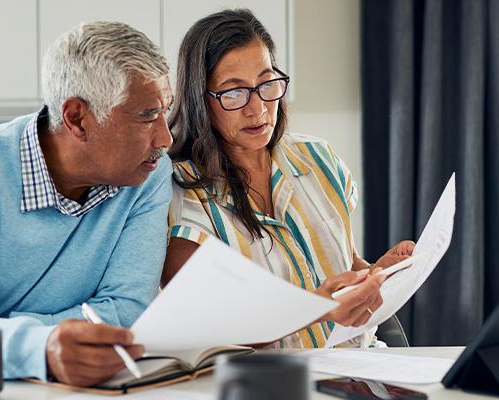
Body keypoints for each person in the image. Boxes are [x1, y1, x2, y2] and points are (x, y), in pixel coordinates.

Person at [0, 21, 173, 386]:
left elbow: (126, 312)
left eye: (165, 112)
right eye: (147, 116)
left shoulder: (147, 174)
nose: (166, 138)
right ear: (77, 118)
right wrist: (39, 348)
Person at [163, 9, 414, 348]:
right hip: (268, 383)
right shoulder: (177, 194)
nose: (258, 109)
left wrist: (376, 275)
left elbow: (345, 260)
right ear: (200, 99)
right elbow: (208, 327)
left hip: (361, 368)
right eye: (234, 93)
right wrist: (317, 309)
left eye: (266, 84)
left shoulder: (318, 158)